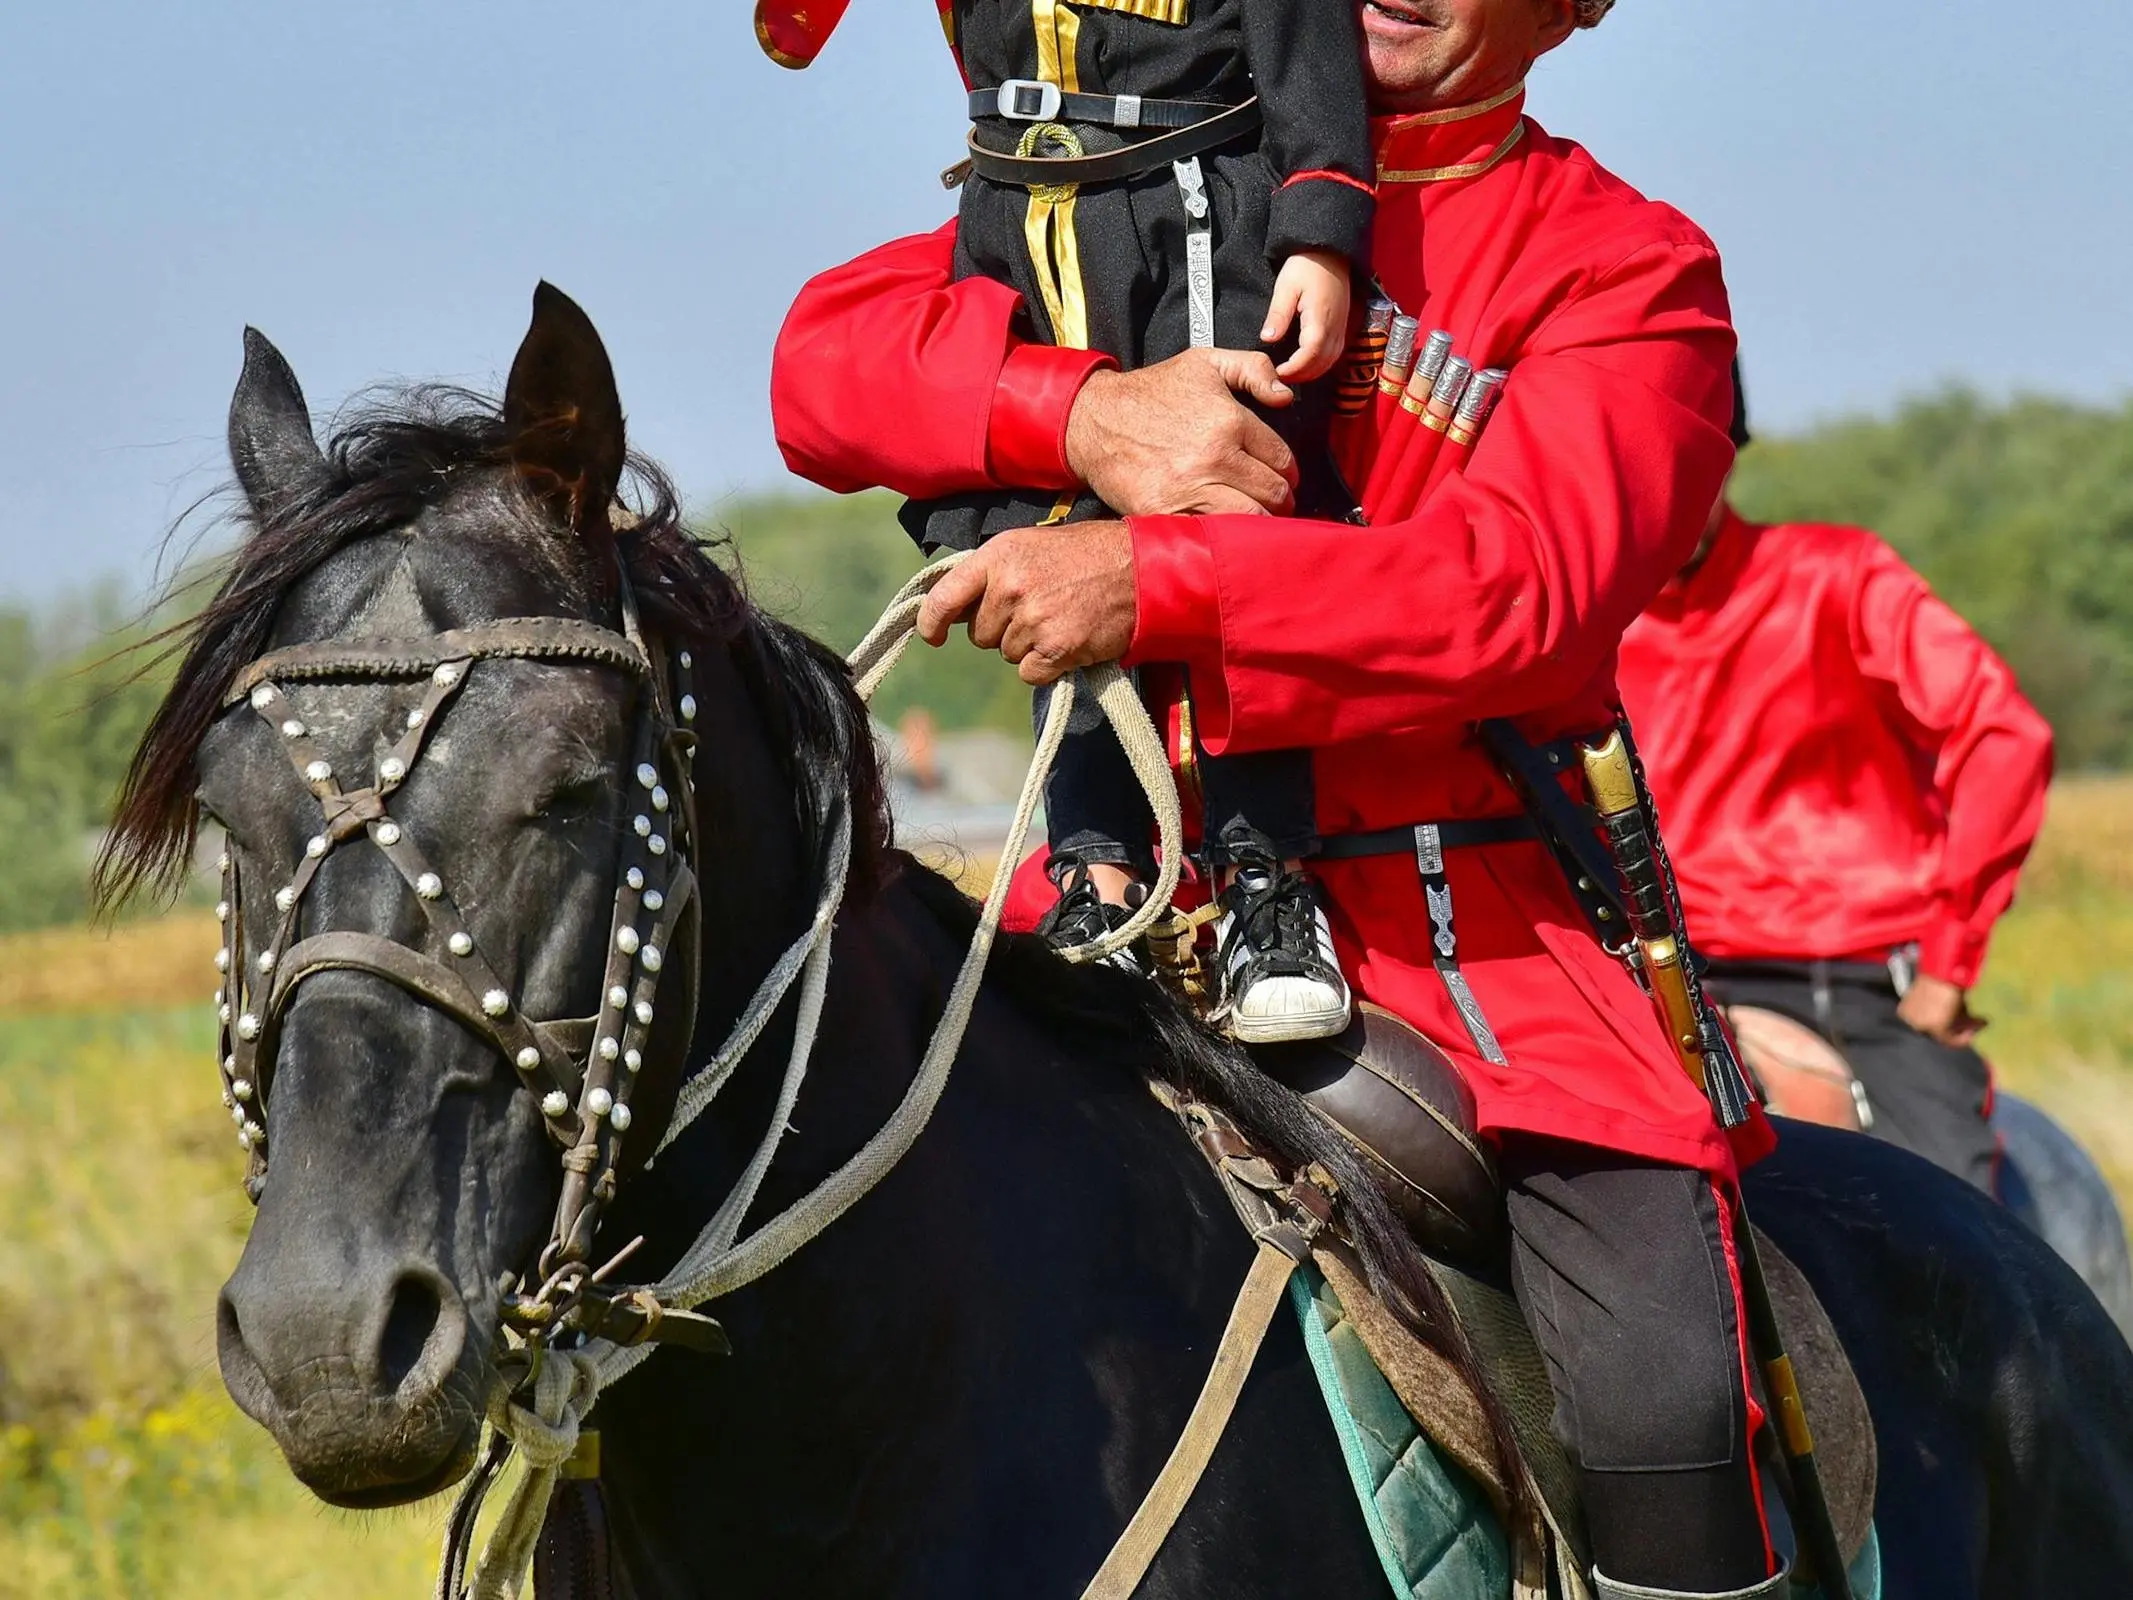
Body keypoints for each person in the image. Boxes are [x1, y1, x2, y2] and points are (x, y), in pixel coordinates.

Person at [774, 4, 1796, 1594]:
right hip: (1110, 925)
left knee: (1659, 1375)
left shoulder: (1628, 269)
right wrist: (1082, 413)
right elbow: (823, 366)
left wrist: (1157, 580)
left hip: (1477, 967)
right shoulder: (1124, 185)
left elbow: (1515, 593)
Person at [759, 0, 1381, 1043]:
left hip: (1208, 223)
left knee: (1237, 528)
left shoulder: (1610, 252)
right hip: (1040, 214)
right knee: (1055, 554)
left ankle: (1265, 879)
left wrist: (1320, 227)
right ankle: (1093, 865)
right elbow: (817, 381)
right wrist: (1078, 418)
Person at [1617, 370, 2055, 1195]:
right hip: (1659, 977)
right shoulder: (1585, 617)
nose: (1665, 494)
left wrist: (1950, 961)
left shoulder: (1839, 576)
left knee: (1950, 1225)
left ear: (1726, 460)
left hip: (1846, 971)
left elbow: (2002, 736)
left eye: (1689, 466)